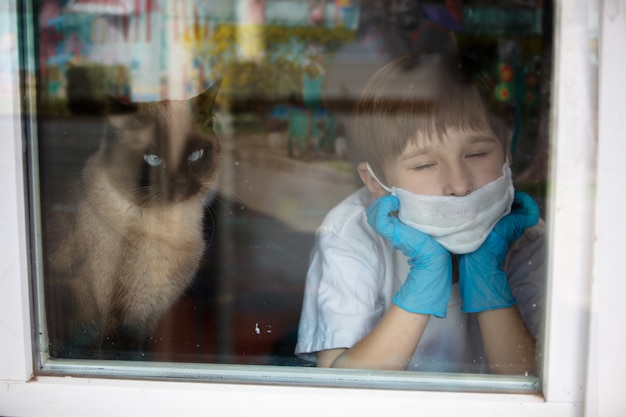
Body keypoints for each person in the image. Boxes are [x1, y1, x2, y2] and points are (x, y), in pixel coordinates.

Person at [295, 49, 545, 374]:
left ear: (507, 154)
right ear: (376, 182)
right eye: (425, 164)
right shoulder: (351, 233)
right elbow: (339, 383)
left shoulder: (527, 237)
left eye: (477, 153)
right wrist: (425, 279)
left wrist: (488, 278)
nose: (458, 185)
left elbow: (538, 386)